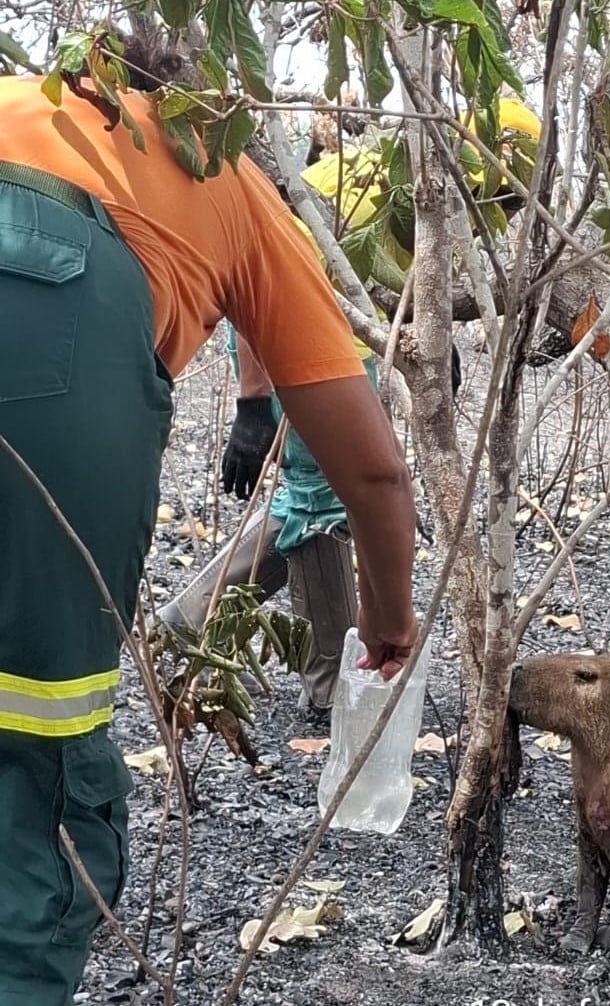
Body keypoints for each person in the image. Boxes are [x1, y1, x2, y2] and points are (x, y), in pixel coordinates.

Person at [0, 44, 418, 1006]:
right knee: (36, 753)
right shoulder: (225, 175)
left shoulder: (35, 102)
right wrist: (387, 624)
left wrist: (252, 404)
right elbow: (376, 470)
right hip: (55, 328)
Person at [157, 319, 380, 720]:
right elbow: (251, 293)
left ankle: (188, 620)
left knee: (320, 490)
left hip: (337, 350)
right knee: (320, 493)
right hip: (295, 357)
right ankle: (329, 689)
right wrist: (254, 401)